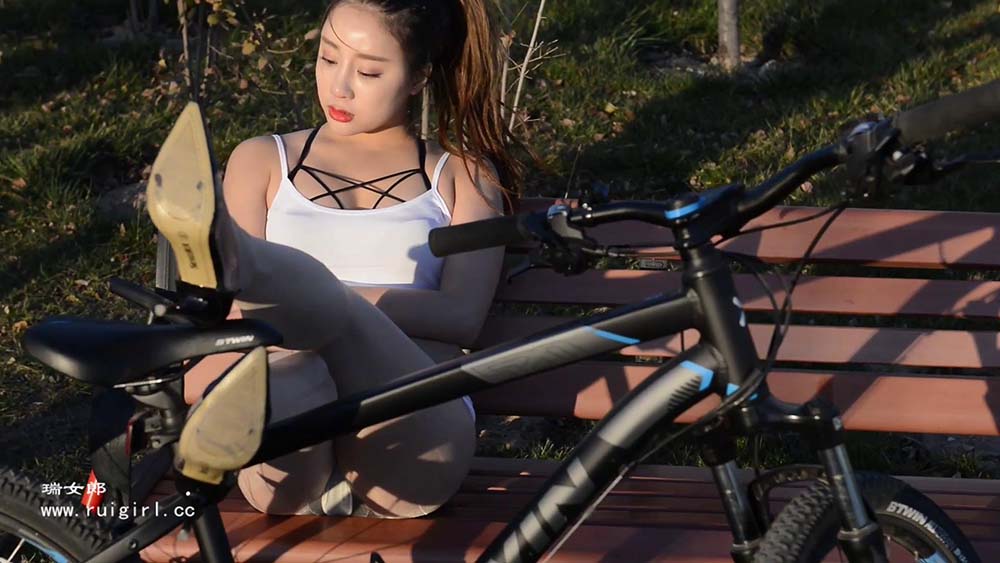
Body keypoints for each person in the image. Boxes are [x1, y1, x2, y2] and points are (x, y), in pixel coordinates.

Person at [148, 0, 528, 519]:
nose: (339, 86)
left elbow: (461, 316)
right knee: (298, 372)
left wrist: (324, 303)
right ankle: (240, 409)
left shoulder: (463, 175)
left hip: (412, 434)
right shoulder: (262, 161)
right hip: (290, 440)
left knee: (300, 312)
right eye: (328, 58)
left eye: (368, 72)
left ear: (419, 76)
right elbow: (236, 317)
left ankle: (269, 281)